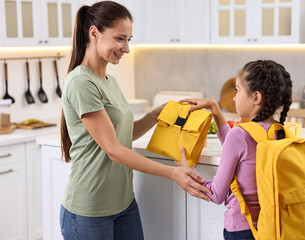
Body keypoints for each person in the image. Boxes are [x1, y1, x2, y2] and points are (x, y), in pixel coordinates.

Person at [59, 1, 211, 239]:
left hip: (123, 203)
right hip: (89, 209)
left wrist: (155, 115)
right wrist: (172, 173)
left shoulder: (110, 81)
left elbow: (123, 134)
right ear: (94, 33)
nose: (127, 48)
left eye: (129, 39)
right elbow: (114, 150)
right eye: (120, 38)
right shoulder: (80, 82)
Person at [177, 60, 292, 240]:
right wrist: (215, 109)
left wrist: (186, 172)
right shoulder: (280, 132)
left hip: (242, 230)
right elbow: (240, 149)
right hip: (272, 228)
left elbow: (215, 194)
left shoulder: (239, 136)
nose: (233, 98)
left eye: (237, 90)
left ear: (256, 97)